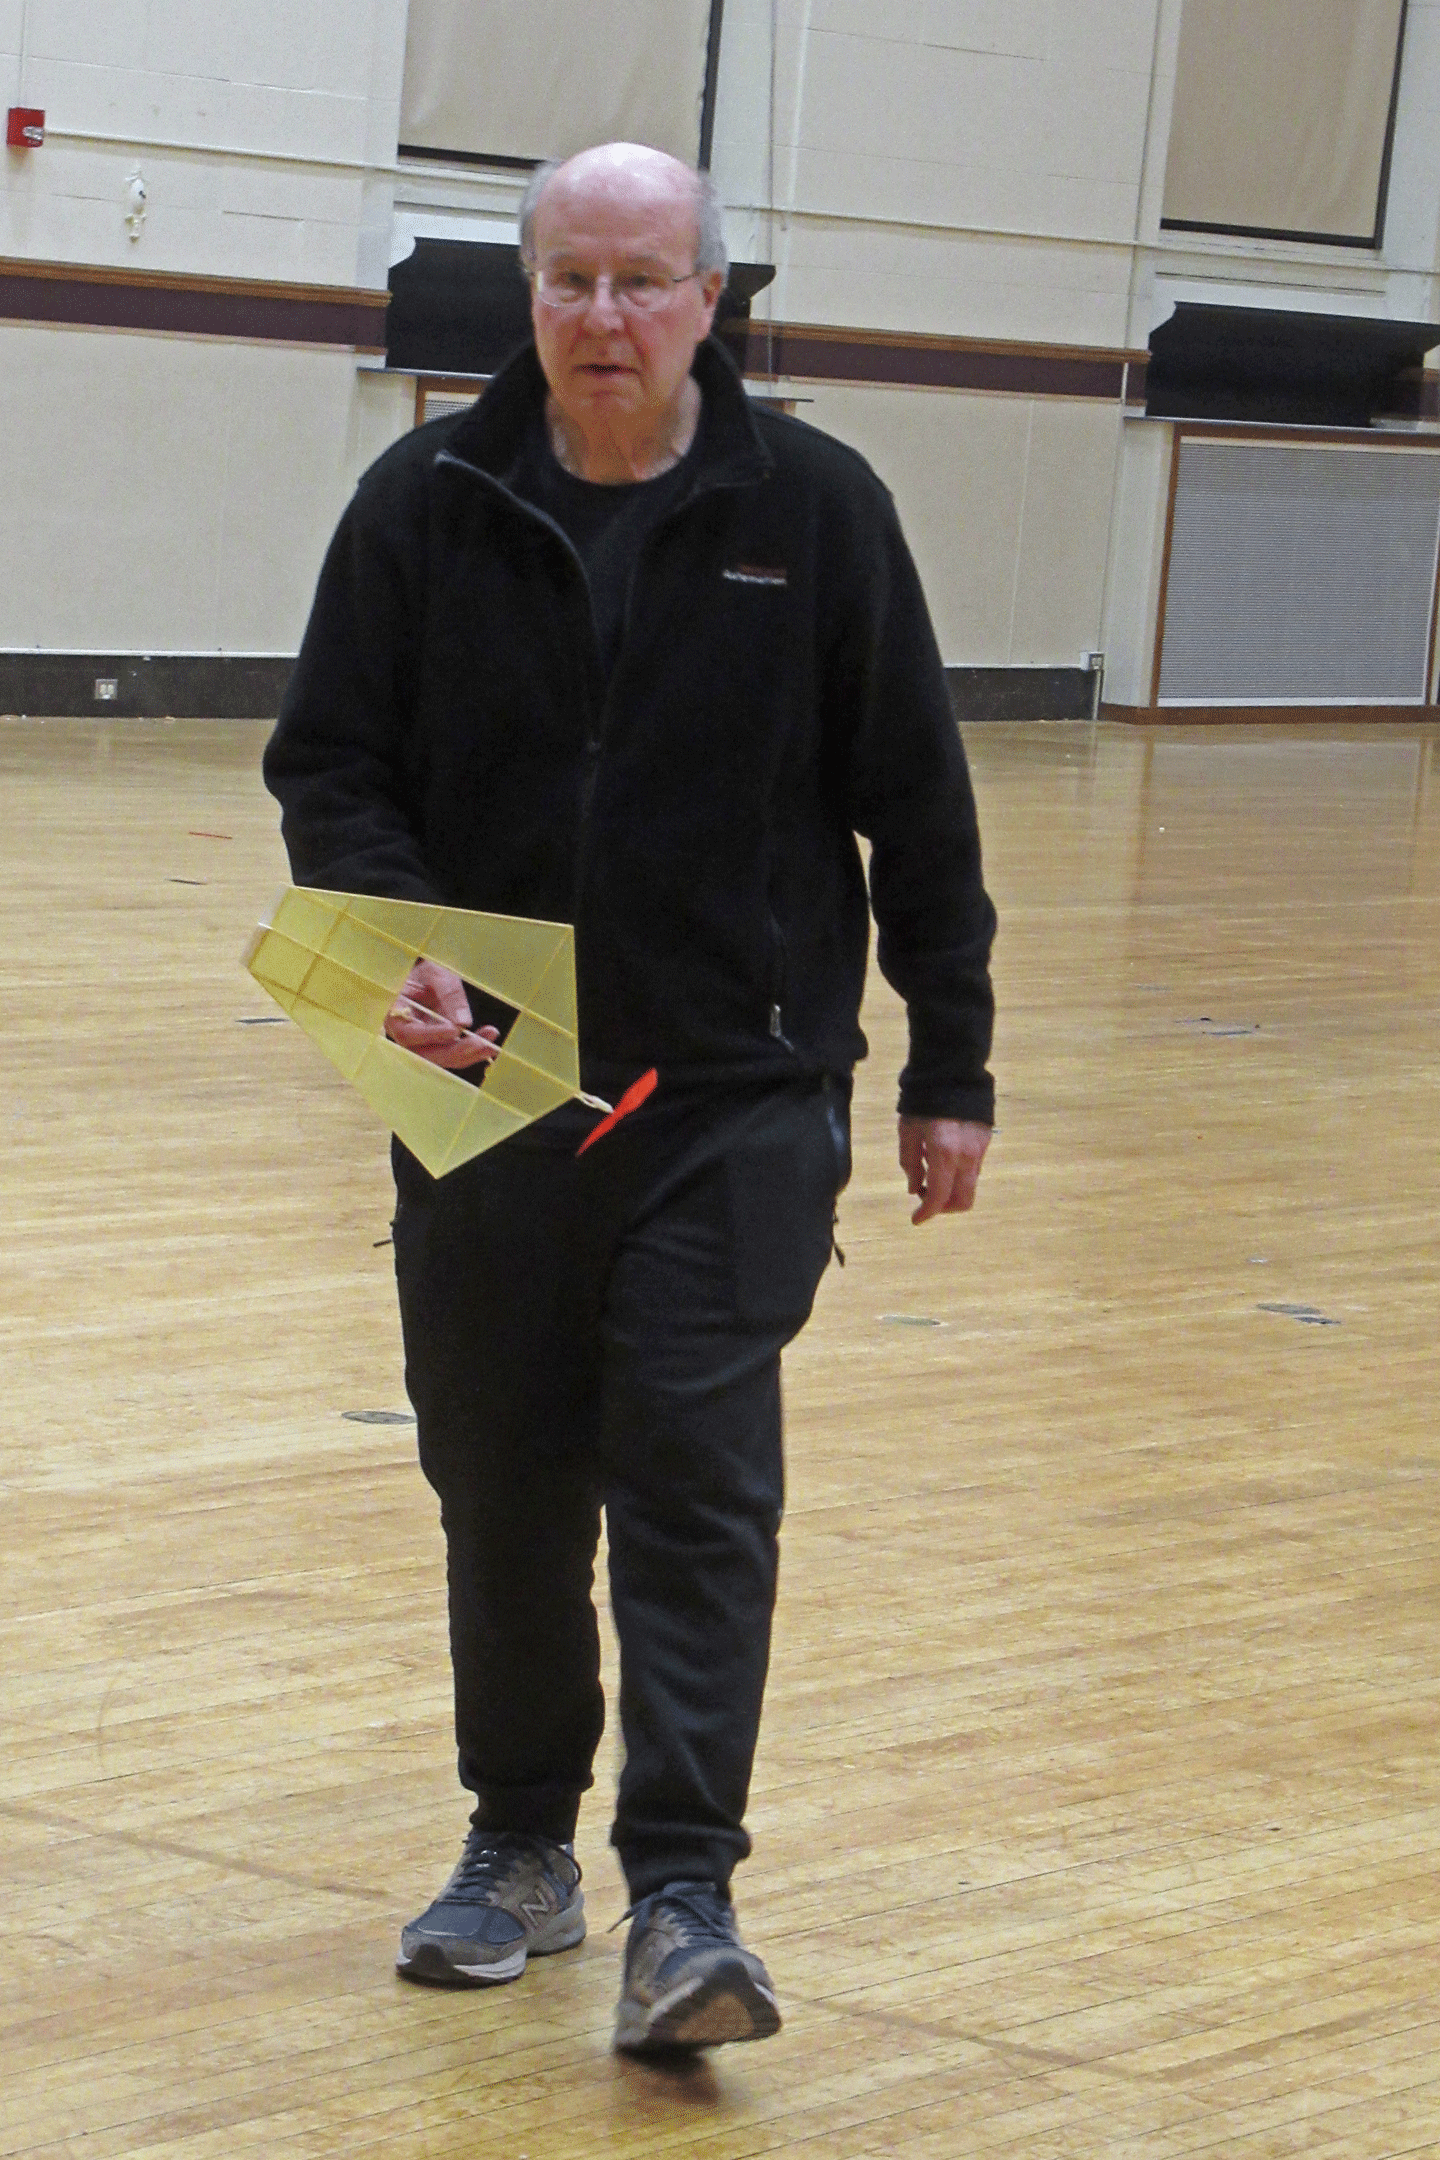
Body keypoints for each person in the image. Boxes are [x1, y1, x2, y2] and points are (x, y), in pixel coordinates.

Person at [263, 140, 996, 2055]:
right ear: (529, 295)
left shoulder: (815, 510)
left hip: (736, 1086)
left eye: (643, 280)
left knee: (690, 1473)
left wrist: (954, 1059)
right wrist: (396, 937)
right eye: (570, 280)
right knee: (501, 1478)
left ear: (709, 299)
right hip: (489, 1079)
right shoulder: (424, 501)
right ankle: (519, 1845)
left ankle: (687, 1895)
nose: (605, 316)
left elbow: (914, 796)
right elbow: (329, 763)